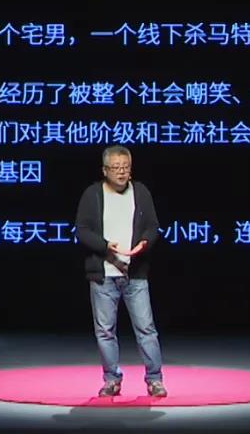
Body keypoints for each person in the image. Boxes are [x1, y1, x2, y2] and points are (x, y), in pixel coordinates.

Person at [74, 145, 166, 397]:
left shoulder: (141, 192)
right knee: (105, 332)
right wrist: (105, 246)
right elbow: (81, 230)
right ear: (105, 170)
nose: (122, 172)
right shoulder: (92, 194)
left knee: (146, 329)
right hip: (103, 274)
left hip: (135, 274)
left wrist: (144, 243)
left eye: (125, 167)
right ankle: (112, 379)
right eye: (116, 168)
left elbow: (153, 226)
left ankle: (155, 379)